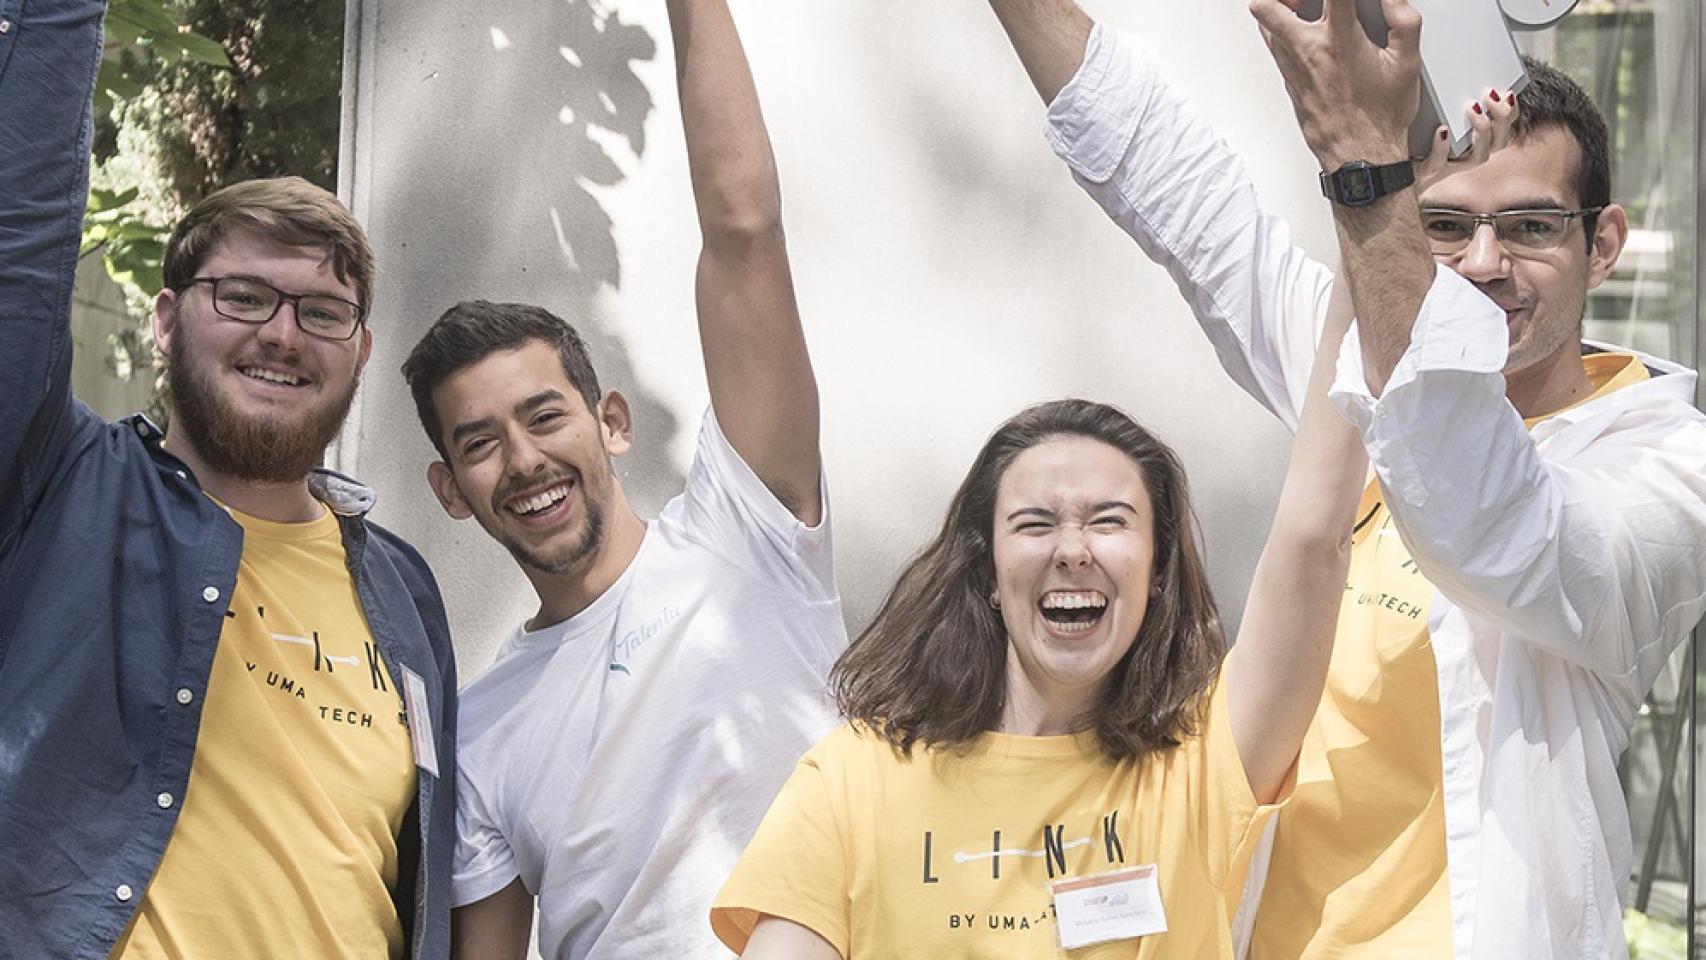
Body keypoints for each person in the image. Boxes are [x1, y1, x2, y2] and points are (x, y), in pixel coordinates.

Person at [986, 0, 1706, 956]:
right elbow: (1171, 180)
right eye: (1446, 226)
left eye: (1530, 225)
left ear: (1602, 243)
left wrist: (1370, 173)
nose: (1485, 264)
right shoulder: (1369, 356)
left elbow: (1490, 518)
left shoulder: (1667, 467)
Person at [710, 261, 1367, 958]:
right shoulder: (852, 778)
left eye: (1109, 521)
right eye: (1033, 523)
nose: (1073, 550)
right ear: (988, 572)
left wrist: (1364, 195)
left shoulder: (1203, 767)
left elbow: (1313, 538)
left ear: (1158, 572)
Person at [0, 2, 458, 958]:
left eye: (322, 312)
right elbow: (19, 248)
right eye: (243, 297)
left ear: (361, 350)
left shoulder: (407, 593)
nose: (282, 333)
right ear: (165, 320)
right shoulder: (61, 486)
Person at [400, 2, 843, 958]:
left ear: (612, 422)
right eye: (479, 444)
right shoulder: (478, 727)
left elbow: (745, 229)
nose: (523, 461)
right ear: (449, 489)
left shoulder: (747, 530)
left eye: (545, 415)